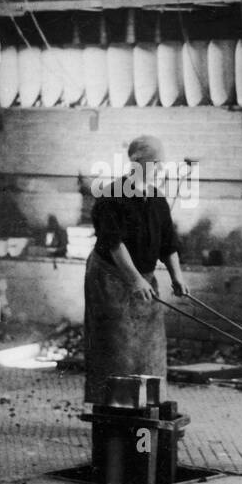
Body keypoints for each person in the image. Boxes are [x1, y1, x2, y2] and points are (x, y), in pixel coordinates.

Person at [84, 135, 188, 405]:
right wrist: (134, 279)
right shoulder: (112, 195)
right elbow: (114, 243)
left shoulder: (156, 198)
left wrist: (177, 277)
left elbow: (168, 242)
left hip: (144, 280)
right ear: (139, 163)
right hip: (111, 278)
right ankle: (113, 407)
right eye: (156, 162)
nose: (160, 168)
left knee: (150, 347)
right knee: (117, 348)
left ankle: (146, 404)